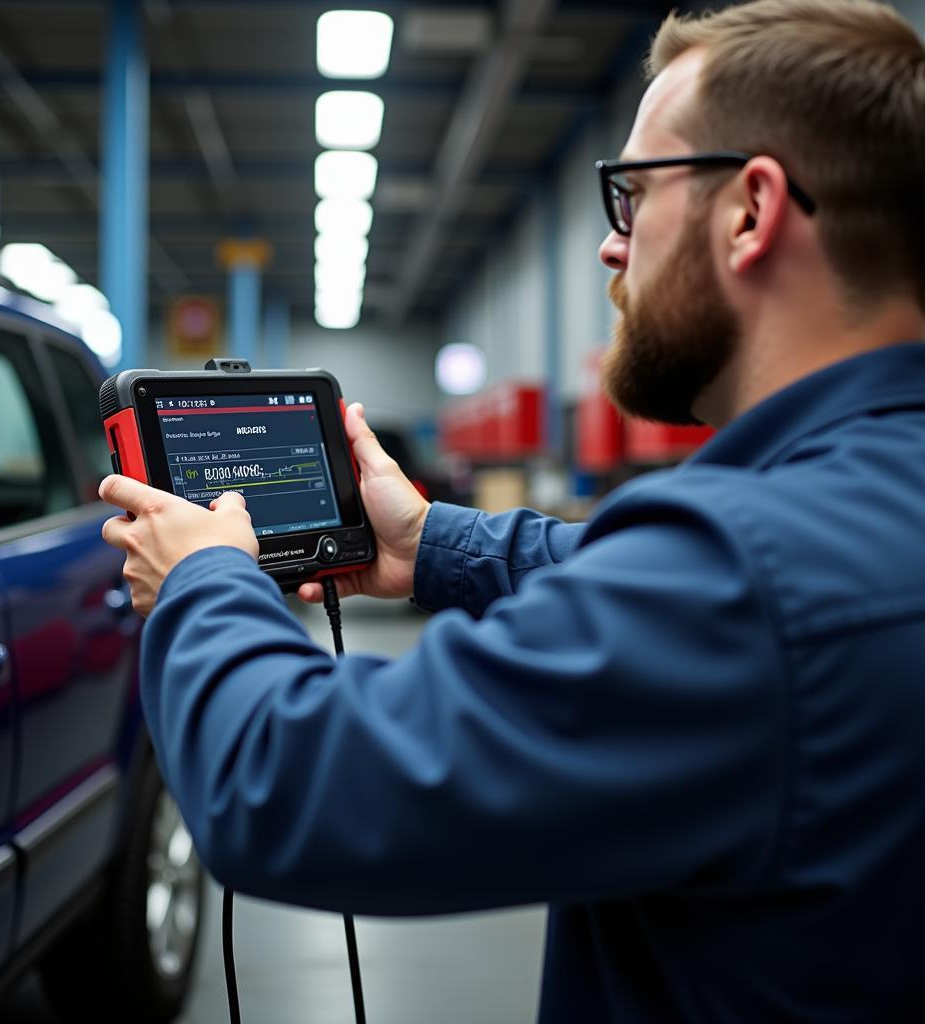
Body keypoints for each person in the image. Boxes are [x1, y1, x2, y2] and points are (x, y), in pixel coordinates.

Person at [100, 0, 925, 1018]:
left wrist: (202, 581)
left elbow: (286, 788)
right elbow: (669, 598)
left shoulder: (743, 573)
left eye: (629, 197)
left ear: (749, 211)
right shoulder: (850, 515)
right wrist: (429, 543)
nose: (607, 251)